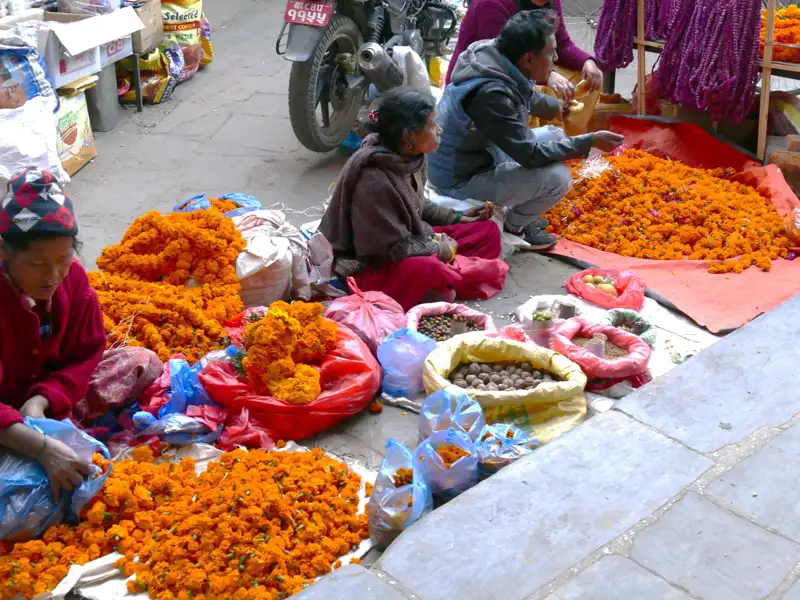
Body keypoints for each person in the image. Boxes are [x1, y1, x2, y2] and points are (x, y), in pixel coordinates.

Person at [428, 11, 624, 249]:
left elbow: (523, 92)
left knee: (554, 135)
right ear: (529, 59)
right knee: (558, 178)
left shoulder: (495, 54)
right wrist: (588, 142)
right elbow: (529, 155)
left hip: (481, 151)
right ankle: (515, 225)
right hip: (459, 176)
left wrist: (556, 108)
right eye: (551, 53)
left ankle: (519, 208)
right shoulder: (491, 95)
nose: (556, 58)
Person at [319, 87, 508, 311]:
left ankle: (451, 274)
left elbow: (416, 204)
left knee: (488, 231)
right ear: (408, 136)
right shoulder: (374, 180)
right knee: (434, 277)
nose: (440, 130)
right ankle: (449, 274)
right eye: (433, 125)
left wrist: (457, 217)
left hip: (412, 239)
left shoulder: (413, 158)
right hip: (372, 263)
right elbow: (388, 250)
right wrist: (440, 250)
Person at [0, 167, 106, 502]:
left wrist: (42, 399)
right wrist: (43, 448)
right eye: (36, 264)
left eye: (64, 258)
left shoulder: (73, 279)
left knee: (139, 362)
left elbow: (87, 352)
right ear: (5, 252)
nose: (53, 275)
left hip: (42, 404)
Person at [445, 0, 603, 98]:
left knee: (585, 79)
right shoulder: (491, 4)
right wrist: (547, 76)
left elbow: (561, 43)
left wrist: (587, 61)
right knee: (547, 92)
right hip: (483, 82)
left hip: (526, 67)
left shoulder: (550, 1)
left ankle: (567, 136)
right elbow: (501, 61)